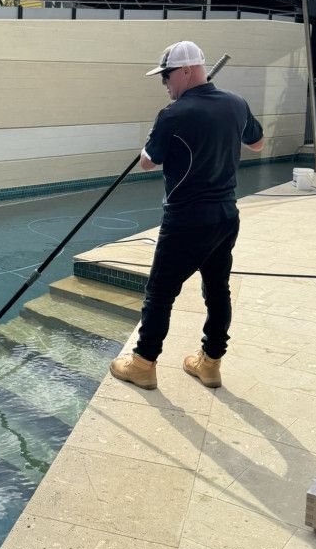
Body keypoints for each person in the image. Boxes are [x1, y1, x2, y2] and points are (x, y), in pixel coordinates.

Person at [110, 40, 264, 391]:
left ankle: (143, 364)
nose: (165, 84)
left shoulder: (172, 115)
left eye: (166, 76)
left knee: (160, 294)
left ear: (185, 71)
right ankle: (210, 365)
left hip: (185, 221)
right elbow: (257, 143)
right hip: (225, 216)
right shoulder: (237, 104)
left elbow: (149, 161)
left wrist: (151, 140)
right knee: (217, 290)